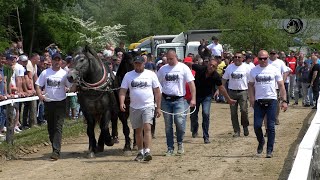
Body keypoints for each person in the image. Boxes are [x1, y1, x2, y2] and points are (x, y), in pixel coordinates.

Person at [119, 56, 161, 162]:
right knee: (138, 131)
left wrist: (158, 107)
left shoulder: (150, 74)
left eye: (139, 64)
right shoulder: (128, 75)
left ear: (144, 64)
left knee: (147, 128)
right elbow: (123, 90)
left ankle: (147, 151)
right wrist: (121, 102)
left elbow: (157, 91)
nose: (138, 66)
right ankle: (140, 151)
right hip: (134, 106)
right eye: (136, 64)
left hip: (148, 105)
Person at [248, 50, 288, 158]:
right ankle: (261, 142)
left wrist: (284, 100)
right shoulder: (253, 71)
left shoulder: (274, 69)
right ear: (258, 58)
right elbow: (250, 85)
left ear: (267, 58)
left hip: (271, 100)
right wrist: (251, 98)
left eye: (265, 58)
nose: (263, 60)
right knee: (257, 126)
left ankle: (269, 150)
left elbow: (281, 86)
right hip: (259, 101)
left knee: (271, 126)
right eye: (260, 58)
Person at [157, 49, 196, 156]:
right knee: (168, 125)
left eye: (171, 59)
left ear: (176, 57)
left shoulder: (183, 68)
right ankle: (170, 147)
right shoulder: (162, 69)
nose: (169, 61)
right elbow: (157, 85)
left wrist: (193, 99)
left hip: (180, 100)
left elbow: (191, 84)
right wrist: (157, 101)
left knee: (180, 122)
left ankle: (180, 143)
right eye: (167, 59)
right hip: (166, 99)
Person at [35, 53, 72, 160]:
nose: (57, 62)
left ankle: (56, 151)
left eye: (58, 60)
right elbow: (38, 85)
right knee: (51, 127)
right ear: (51, 61)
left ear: (61, 61)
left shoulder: (64, 74)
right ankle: (54, 145)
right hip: (48, 102)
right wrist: (40, 95)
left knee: (58, 126)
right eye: (55, 60)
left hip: (60, 102)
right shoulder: (45, 73)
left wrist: (72, 80)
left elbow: (70, 86)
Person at [191, 57, 236, 143]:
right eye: (210, 64)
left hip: (207, 97)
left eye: (213, 66)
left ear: (216, 68)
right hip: (196, 95)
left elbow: (221, 88)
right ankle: (194, 129)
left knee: (206, 113)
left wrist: (228, 99)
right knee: (193, 114)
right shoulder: (200, 68)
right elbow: (189, 65)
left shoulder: (216, 76)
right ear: (207, 64)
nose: (211, 67)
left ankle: (206, 136)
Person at [222, 52, 251, 137]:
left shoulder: (246, 67)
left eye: (239, 57)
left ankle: (245, 126)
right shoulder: (230, 67)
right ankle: (236, 130)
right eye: (235, 57)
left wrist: (251, 93)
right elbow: (224, 79)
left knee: (244, 111)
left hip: (243, 91)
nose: (237, 58)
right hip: (232, 92)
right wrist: (220, 89)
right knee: (233, 113)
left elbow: (250, 82)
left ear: (243, 58)